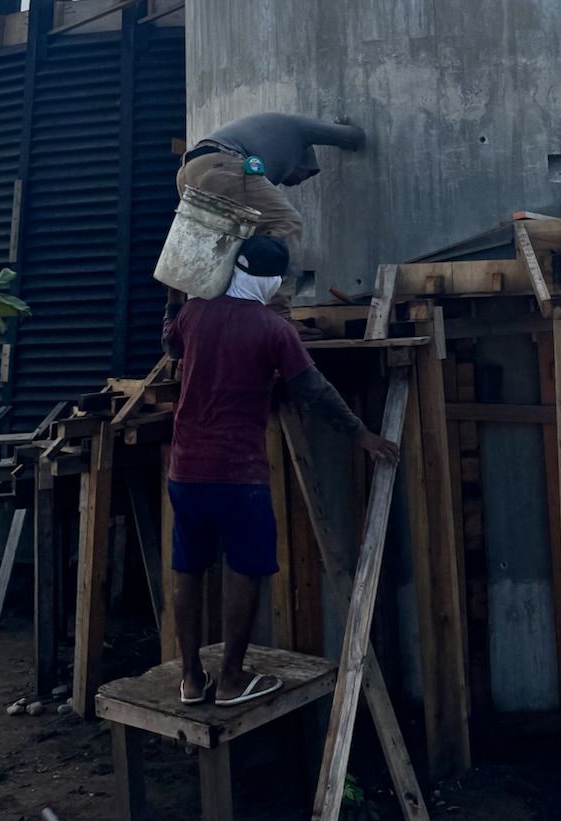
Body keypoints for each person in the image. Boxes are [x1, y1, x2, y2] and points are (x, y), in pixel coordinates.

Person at [163, 235, 397, 705]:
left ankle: (191, 679)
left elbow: (171, 347)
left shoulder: (195, 314)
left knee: (188, 567)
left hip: (185, 470)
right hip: (238, 475)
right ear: (271, 280)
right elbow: (314, 391)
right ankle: (230, 680)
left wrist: (176, 298)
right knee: (244, 569)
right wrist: (362, 435)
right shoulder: (272, 329)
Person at [178, 111, 368, 263]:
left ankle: (177, 307)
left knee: (204, 243)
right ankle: (278, 307)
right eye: (302, 176)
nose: (297, 183)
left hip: (188, 169)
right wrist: (339, 128)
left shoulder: (271, 143)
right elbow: (355, 136)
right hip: (224, 164)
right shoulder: (297, 128)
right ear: (302, 161)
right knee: (287, 223)